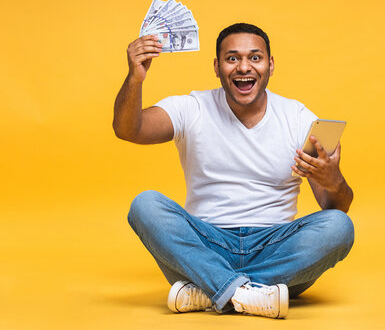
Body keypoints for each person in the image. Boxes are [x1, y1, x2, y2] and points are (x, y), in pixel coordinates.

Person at [113, 23, 354, 319]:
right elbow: (128, 129)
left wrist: (333, 181)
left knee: (339, 227)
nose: (244, 67)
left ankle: (211, 290)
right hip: (205, 243)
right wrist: (134, 79)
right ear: (217, 66)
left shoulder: (298, 118)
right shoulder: (192, 108)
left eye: (255, 58)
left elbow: (337, 208)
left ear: (270, 65)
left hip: (274, 246)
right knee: (145, 205)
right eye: (232, 58)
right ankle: (248, 294)